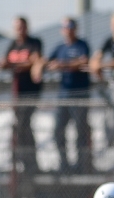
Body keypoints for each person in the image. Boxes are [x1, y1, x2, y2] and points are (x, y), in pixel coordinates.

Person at [35, 17, 92, 173]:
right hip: (63, 95)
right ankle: (64, 164)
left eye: (71, 27)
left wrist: (63, 65)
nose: (68, 30)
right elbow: (47, 60)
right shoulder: (60, 47)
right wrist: (38, 67)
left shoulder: (82, 45)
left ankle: (82, 166)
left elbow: (83, 61)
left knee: (80, 131)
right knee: (58, 130)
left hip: (79, 95)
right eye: (66, 27)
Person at [0, 17, 43, 173]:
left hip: (30, 91)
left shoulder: (34, 42)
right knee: (20, 125)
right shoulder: (13, 44)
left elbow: (35, 60)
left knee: (24, 123)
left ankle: (31, 162)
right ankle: (24, 160)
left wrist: (18, 64)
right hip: (17, 92)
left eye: (22, 26)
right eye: (17, 27)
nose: (19, 30)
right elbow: (5, 62)